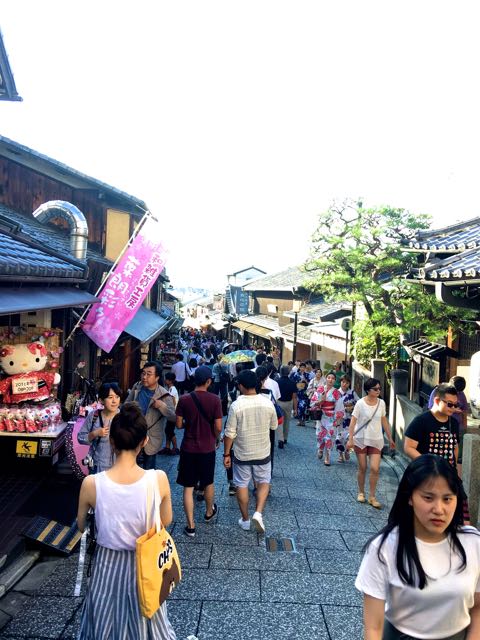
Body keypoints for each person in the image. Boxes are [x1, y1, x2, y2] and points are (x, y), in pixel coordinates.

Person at [77, 402, 176, 640]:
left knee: (104, 620)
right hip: (146, 566)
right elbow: (165, 520)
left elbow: (82, 526)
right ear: (143, 442)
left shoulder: (92, 484)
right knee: (147, 621)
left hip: (106, 565)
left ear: (111, 441)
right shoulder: (158, 479)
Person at [355, 454, 480, 640]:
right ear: (410, 497)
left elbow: (477, 607)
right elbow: (373, 627)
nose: (439, 509)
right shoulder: (384, 547)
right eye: (428, 497)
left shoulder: (473, 542)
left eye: (447, 499)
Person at [223, 369, 277, 533]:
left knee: (241, 484)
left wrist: (226, 454)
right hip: (262, 453)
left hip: (242, 453)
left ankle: (245, 520)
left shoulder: (236, 405)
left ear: (240, 385)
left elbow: (229, 433)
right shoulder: (268, 403)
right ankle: (258, 513)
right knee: (263, 482)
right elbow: (274, 426)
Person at [175, 365, 223, 538]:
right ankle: (209, 512)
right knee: (208, 482)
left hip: (188, 448)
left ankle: (191, 526)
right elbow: (218, 426)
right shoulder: (215, 400)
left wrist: (191, 424)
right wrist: (216, 438)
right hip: (207, 448)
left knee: (188, 487)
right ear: (209, 381)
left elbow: (179, 424)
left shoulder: (184, 399)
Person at [347, 378, 395, 508]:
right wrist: (351, 439)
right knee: (362, 467)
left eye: (379, 388)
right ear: (368, 390)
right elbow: (353, 422)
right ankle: (361, 492)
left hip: (376, 439)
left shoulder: (382, 403)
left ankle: (372, 496)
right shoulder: (360, 403)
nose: (378, 391)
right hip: (361, 438)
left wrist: (390, 438)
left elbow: (384, 420)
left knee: (375, 468)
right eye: (375, 389)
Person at [126, 361, 176, 470]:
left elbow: (173, 417)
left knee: (148, 470)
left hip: (151, 438)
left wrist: (161, 406)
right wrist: (131, 406)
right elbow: (125, 405)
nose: (144, 377)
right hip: (133, 434)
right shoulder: (137, 387)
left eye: (149, 374)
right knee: (130, 467)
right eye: (143, 373)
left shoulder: (164, 394)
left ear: (157, 377)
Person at [404, 383, 460, 469]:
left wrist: (454, 468)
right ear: (437, 401)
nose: (453, 407)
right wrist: (427, 465)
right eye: (449, 404)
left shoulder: (454, 423)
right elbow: (408, 447)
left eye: (455, 404)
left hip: (448, 474)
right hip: (426, 473)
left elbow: (455, 447)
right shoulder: (421, 420)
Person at [427, 376, 469, 474]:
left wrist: (464, 426)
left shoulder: (461, 394)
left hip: (457, 426)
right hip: (441, 427)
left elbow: (465, 410)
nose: (458, 394)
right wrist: (453, 409)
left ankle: (455, 476)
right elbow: (431, 408)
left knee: (457, 454)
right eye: (450, 403)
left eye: (459, 392)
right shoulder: (438, 391)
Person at [78, 382, 122, 473]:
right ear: (101, 400)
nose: (114, 401)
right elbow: (80, 437)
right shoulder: (94, 416)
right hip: (97, 466)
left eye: (117, 397)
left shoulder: (124, 417)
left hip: (118, 466)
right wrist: (94, 434)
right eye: (110, 397)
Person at [310, 371, 344, 466]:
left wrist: (338, 418)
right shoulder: (320, 389)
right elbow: (312, 402)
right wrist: (320, 401)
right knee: (319, 435)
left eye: (333, 378)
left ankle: (327, 456)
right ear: (326, 378)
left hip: (331, 417)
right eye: (329, 377)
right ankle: (320, 448)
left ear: (335, 380)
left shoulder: (336, 392)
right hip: (321, 416)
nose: (330, 380)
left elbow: (339, 406)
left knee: (330, 437)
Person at [336, 374, 359, 462]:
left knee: (349, 436)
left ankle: (347, 451)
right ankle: (340, 455)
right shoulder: (337, 393)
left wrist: (352, 407)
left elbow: (359, 403)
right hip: (340, 418)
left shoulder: (352, 393)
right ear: (340, 382)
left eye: (347, 382)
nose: (344, 384)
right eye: (343, 382)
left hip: (350, 419)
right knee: (339, 436)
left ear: (349, 384)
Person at [277, 365, 298, 448]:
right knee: (286, 421)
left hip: (279, 402)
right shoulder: (293, 383)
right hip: (289, 403)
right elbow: (294, 397)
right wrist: (295, 409)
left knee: (280, 421)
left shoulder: (277, 382)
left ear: (281, 372)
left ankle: (280, 439)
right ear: (289, 373)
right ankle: (285, 438)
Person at [159, 372, 179, 455]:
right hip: (171, 413)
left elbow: (173, 402)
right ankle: (167, 447)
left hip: (173, 414)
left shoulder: (172, 390)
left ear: (170, 381)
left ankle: (175, 447)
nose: (165, 380)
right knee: (168, 430)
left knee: (170, 431)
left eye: (166, 379)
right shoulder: (171, 389)